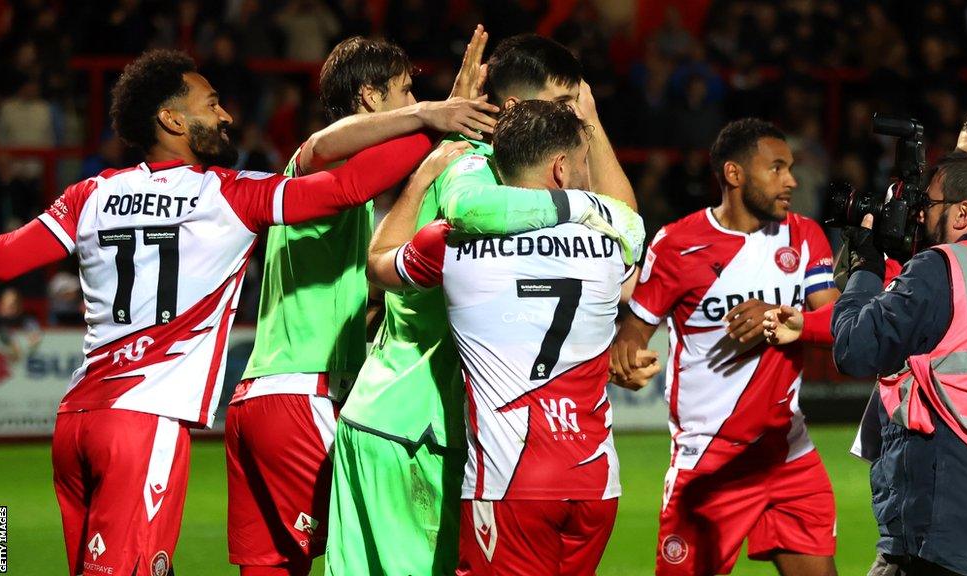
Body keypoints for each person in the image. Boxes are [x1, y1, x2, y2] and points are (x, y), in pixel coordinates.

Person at [0, 49, 440, 576]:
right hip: (144, 421)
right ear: (172, 119)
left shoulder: (89, 194)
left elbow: (4, 257)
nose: (226, 115)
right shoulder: (226, 196)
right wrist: (435, 130)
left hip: (76, 423)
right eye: (211, 104)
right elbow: (345, 187)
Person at [329, 34, 641, 576]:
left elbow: (621, 232)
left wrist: (587, 123)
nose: (579, 118)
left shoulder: (512, 180)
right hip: (413, 422)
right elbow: (622, 227)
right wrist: (595, 206)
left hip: (458, 432)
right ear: (517, 110)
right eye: (566, 105)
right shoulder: (469, 167)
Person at [226, 29, 503, 576]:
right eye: (403, 92)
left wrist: (446, 116)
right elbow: (327, 144)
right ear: (372, 97)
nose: (411, 105)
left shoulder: (335, 197)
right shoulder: (318, 167)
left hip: (258, 400)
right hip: (307, 392)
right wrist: (435, 117)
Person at [612, 118, 840, 576]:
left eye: (790, 168)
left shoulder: (803, 235)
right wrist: (627, 362)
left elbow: (839, 321)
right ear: (734, 174)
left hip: (787, 453)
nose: (792, 181)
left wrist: (777, 316)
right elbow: (632, 334)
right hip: (710, 460)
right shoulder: (677, 244)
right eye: (776, 168)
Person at [831, 151, 967, 576]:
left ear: (962, 213)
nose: (918, 216)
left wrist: (865, 268)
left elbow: (855, 349)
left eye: (929, 204)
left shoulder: (943, 268)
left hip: (950, 524)